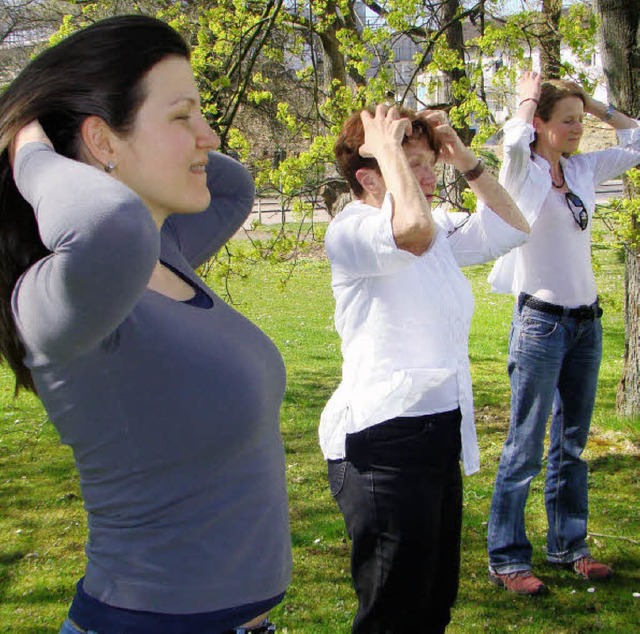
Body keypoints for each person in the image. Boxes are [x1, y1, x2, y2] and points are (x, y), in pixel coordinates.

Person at [0, 15, 291, 634]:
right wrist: (29, 147)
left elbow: (233, 188)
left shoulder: (165, 251)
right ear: (102, 143)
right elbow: (112, 225)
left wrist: (170, 127)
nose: (209, 137)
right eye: (183, 116)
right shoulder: (60, 297)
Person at [319, 104, 529, 633]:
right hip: (381, 444)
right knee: (393, 612)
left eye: (430, 163)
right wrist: (387, 149)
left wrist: (462, 156)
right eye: (415, 164)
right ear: (369, 176)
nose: (431, 176)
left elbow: (513, 228)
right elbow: (408, 231)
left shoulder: (435, 228)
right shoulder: (354, 230)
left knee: (434, 601)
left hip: (439, 434)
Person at [486, 71, 640, 595]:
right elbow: (511, 138)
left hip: (585, 324)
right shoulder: (521, 172)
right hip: (540, 324)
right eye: (567, 120)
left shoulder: (582, 170)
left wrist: (594, 104)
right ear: (542, 126)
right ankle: (508, 558)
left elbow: (637, 139)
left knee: (571, 445)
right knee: (524, 445)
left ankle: (568, 547)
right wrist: (528, 99)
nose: (577, 129)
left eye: (580, 121)